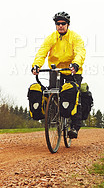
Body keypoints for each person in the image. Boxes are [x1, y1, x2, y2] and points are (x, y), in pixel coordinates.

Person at [31, 11, 86, 139]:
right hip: (55, 71)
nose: (60, 26)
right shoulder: (51, 38)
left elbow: (80, 52)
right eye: (58, 24)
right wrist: (36, 65)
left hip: (72, 71)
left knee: (74, 96)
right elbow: (42, 52)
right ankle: (54, 115)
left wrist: (76, 64)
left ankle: (74, 127)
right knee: (52, 94)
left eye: (63, 23)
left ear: (68, 25)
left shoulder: (75, 37)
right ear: (55, 25)